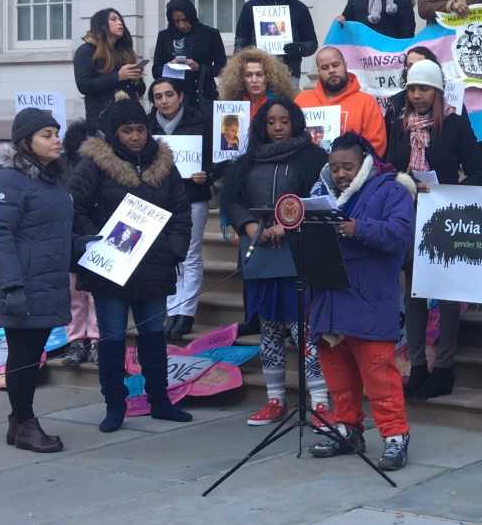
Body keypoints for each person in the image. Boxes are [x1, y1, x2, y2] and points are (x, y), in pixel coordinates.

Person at [69, 96, 193, 432]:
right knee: (111, 338)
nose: (136, 136)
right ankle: (114, 404)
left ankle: (160, 400)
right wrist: (96, 242)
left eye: (140, 129)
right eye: (127, 131)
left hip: (154, 266)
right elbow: (74, 208)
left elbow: (181, 212)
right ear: (114, 133)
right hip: (112, 268)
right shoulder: (94, 164)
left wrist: (174, 249)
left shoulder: (165, 165)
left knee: (153, 336)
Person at [221, 97, 332, 426]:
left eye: (284, 120)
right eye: (271, 122)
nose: (279, 127)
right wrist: (251, 225)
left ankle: (321, 400)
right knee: (269, 327)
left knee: (304, 328)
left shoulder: (314, 158)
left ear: (295, 121)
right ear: (262, 126)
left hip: (298, 251)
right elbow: (231, 198)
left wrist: (290, 223)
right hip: (261, 251)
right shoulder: (247, 160)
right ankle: (275, 399)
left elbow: (319, 194)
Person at [307, 133, 416, 470]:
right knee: (337, 373)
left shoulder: (392, 189)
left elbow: (400, 232)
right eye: (335, 168)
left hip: (370, 296)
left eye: (348, 167)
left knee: (378, 373)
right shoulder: (319, 194)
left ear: (365, 163)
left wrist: (358, 229)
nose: (341, 174)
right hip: (329, 297)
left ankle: (395, 436)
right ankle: (347, 429)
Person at [0, 109, 87, 452]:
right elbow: (0, 235)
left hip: (47, 280)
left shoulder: (52, 177)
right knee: (24, 355)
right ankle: (25, 422)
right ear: (26, 141)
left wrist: (86, 247)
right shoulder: (8, 178)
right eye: (47, 133)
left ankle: (19, 423)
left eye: (56, 132)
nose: (56, 138)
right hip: (22, 284)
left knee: (30, 353)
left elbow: (55, 232)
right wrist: (12, 287)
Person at [386, 59, 482, 400]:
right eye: (413, 89)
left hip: (444, 216)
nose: (417, 96)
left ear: (438, 92)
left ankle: (443, 367)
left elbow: (478, 172)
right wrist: (402, 183)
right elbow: (388, 165)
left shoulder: (455, 126)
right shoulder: (398, 125)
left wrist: (445, 190)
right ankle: (417, 366)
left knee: (446, 296)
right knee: (413, 294)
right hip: (409, 216)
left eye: (424, 89)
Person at [147, 78, 211, 343]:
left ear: (180, 96)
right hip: (161, 198)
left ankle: (187, 312)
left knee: (191, 255)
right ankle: (171, 310)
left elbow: (212, 157)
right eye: (158, 96)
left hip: (193, 196)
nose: (164, 100)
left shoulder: (199, 121)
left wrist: (206, 173)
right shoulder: (148, 126)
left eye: (169, 94)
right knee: (168, 253)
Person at [234, 0, 319, 82]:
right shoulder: (250, 6)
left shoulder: (300, 8)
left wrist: (299, 48)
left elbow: (312, 43)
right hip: (256, 73)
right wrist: (244, 65)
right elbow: (240, 43)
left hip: (289, 73)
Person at [295, 46, 388, 157]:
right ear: (319, 72)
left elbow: (376, 145)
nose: (331, 71)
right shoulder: (301, 100)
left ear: (345, 65)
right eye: (325, 68)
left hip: (353, 171)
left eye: (336, 65)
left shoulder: (366, 102)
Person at [60, 121, 100, 367]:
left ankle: (96, 340)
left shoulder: (102, 166)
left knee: (95, 295)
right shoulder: (61, 166)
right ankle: (75, 340)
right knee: (74, 295)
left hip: (95, 236)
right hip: (70, 238)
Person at [150, 0, 227, 107]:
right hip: (174, 97)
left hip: (202, 95)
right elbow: (156, 71)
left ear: (191, 17)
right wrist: (170, 67)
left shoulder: (210, 34)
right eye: (176, 21)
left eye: (184, 20)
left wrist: (199, 67)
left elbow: (221, 67)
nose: (181, 25)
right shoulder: (164, 36)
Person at [74, 7, 144, 123]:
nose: (120, 23)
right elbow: (84, 85)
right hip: (102, 116)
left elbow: (140, 90)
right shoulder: (86, 51)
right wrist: (118, 76)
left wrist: (136, 78)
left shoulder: (124, 50)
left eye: (120, 20)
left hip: (129, 115)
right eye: (114, 19)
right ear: (102, 25)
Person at [217, 48, 296, 119]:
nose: (254, 80)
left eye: (259, 75)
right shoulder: (233, 103)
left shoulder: (280, 104)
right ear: (241, 78)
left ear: (268, 76)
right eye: (248, 75)